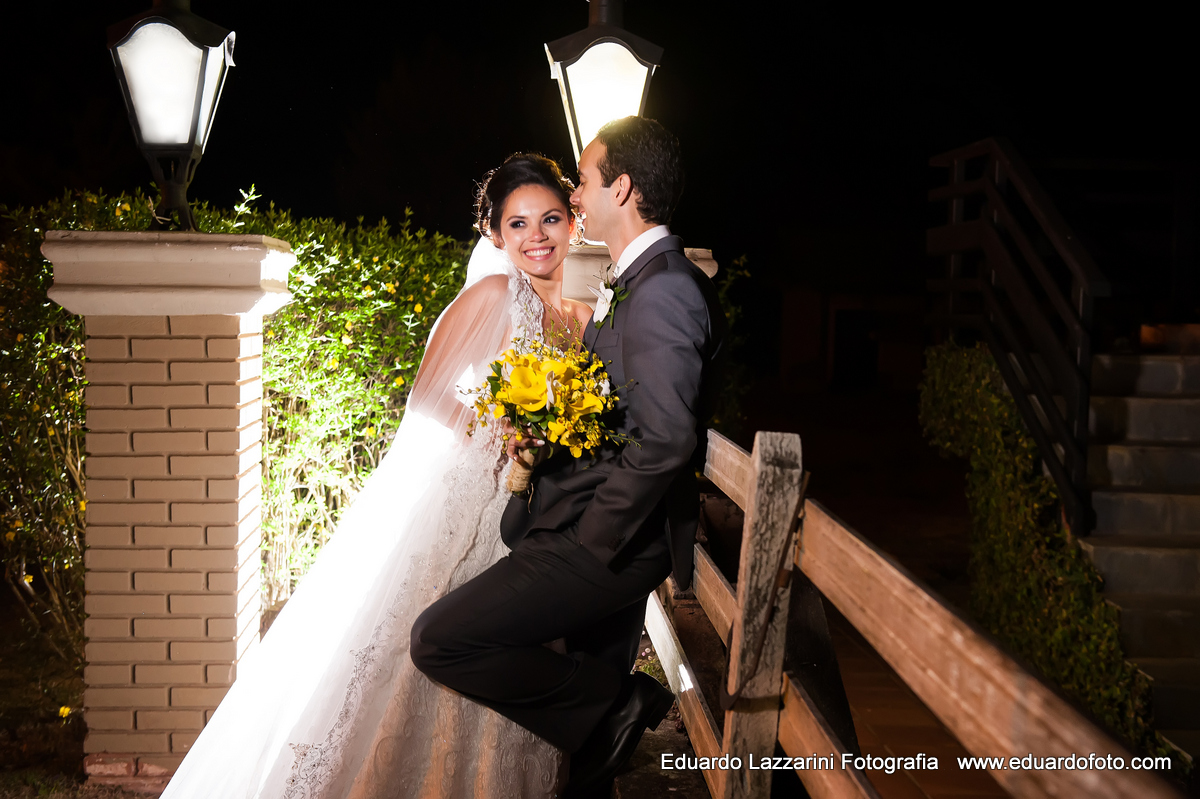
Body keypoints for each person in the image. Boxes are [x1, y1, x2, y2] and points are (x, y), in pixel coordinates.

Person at [159, 154, 591, 799]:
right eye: (518, 223)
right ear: (494, 233)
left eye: (550, 219)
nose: (537, 236)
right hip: (477, 507)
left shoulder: (583, 316)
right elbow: (429, 396)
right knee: (429, 656)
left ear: (572, 221)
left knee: (515, 650)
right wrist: (503, 437)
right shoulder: (495, 295)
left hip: (541, 516)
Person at [411, 117, 728, 796]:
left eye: (580, 184)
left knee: (440, 638)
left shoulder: (663, 287)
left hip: (607, 536)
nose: (576, 197)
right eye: (520, 222)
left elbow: (664, 437)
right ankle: (605, 719)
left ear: (622, 188)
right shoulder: (633, 282)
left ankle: (618, 703)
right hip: (576, 519)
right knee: (582, 753)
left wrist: (593, 536)